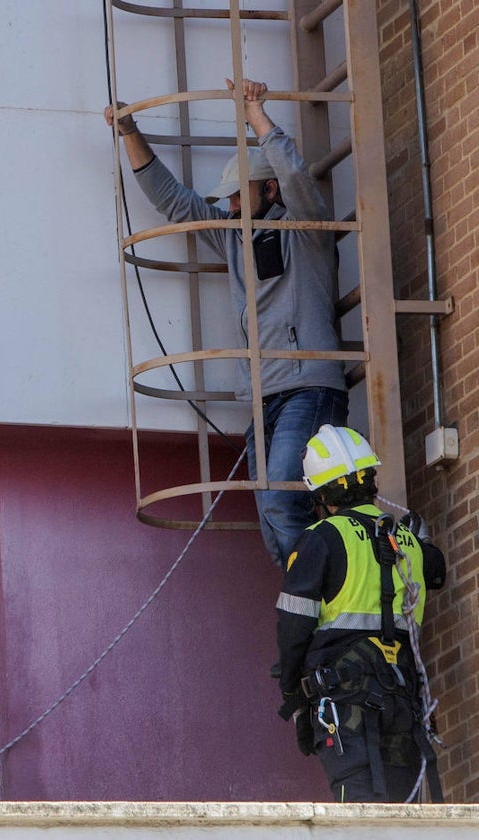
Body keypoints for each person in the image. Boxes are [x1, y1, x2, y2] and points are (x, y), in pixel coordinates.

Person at [105, 78, 348, 570]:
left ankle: (323, 599)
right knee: (270, 513)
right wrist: (129, 131)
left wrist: (256, 112)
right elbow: (176, 203)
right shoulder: (234, 239)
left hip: (308, 388)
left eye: (239, 196)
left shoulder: (307, 231)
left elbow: (298, 177)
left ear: (269, 190)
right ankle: (315, 606)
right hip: (262, 398)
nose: (230, 205)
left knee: (282, 501)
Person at [276, 425, 447, 802]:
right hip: (405, 701)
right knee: (407, 813)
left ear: (319, 492)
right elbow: (437, 569)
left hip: (346, 710)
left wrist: (293, 691)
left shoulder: (321, 538)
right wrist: (422, 540)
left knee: (359, 815)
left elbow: (293, 627)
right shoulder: (409, 543)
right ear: (371, 478)